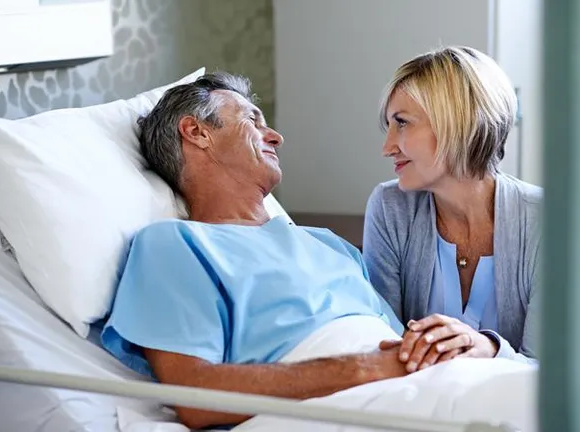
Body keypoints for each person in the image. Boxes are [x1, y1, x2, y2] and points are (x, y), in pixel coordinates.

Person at [100, 72, 410, 430]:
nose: (276, 137)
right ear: (197, 132)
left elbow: (401, 345)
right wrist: (361, 368)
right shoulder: (174, 246)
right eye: (252, 120)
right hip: (335, 404)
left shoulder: (329, 243)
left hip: (413, 384)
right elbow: (195, 397)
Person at [363, 46, 542, 371]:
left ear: (458, 123)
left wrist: (487, 349)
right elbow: (383, 347)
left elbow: (548, 375)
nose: (387, 147)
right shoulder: (390, 209)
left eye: (401, 123)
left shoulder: (544, 221)